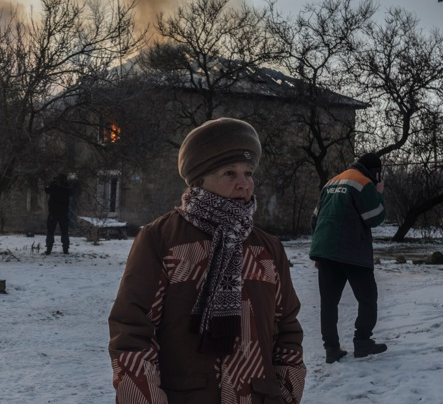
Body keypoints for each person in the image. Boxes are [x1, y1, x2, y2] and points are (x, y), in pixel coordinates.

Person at [108, 118, 306, 404]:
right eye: (229, 173)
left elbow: (287, 329)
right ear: (199, 180)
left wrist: (285, 394)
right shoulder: (162, 239)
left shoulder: (267, 248)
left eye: (248, 173)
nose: (244, 184)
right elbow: (133, 331)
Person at [309, 152, 388, 364]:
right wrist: (379, 194)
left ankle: (331, 349)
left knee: (329, 303)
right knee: (368, 299)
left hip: (326, 252)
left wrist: (319, 252)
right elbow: (374, 217)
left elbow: (315, 218)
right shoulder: (363, 182)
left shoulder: (331, 182)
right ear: (375, 172)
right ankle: (362, 342)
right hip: (352, 252)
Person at [45, 173, 75, 255]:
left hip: (53, 212)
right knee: (64, 232)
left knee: (50, 231)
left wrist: (52, 182)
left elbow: (47, 190)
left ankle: (49, 249)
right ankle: (65, 250)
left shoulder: (54, 186)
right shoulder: (67, 187)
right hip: (63, 212)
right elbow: (73, 192)